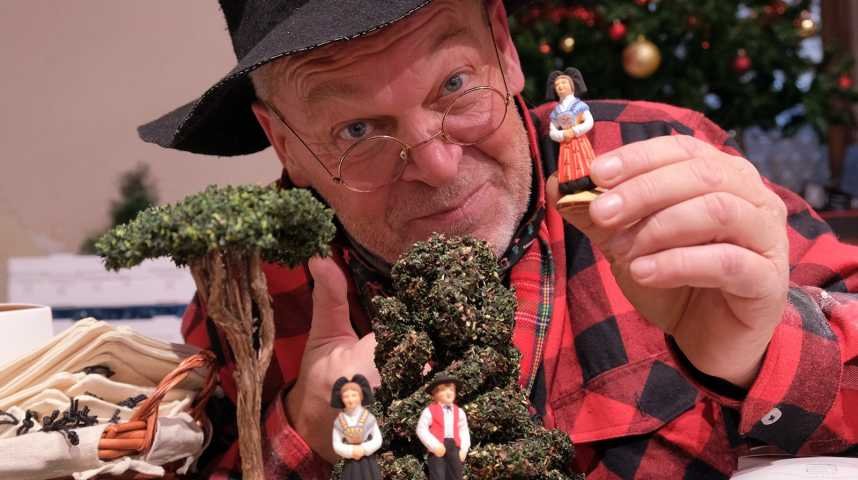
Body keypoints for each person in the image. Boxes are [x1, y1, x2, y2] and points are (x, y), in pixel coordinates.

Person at [140, 0, 858, 478]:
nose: (436, 165)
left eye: (455, 84)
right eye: (356, 130)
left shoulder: (655, 161)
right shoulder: (254, 287)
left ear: (504, 47)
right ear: (282, 142)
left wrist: (759, 352)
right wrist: (306, 430)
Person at [547, 67, 597, 198]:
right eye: (557, 85)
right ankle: (570, 186)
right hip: (565, 144)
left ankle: (587, 183)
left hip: (579, 141)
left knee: (584, 165)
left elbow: (589, 121)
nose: (560, 86)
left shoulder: (579, 105)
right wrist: (562, 135)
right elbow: (552, 131)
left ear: (572, 86)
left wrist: (575, 131)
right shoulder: (556, 111)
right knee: (568, 168)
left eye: (563, 83)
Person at [416, 376, 470, 480]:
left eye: (452, 390)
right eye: (444, 390)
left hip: (454, 447)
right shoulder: (429, 411)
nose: (449, 393)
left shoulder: (459, 412)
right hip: (438, 446)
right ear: (434, 394)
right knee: (438, 474)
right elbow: (421, 429)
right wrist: (434, 445)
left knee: (455, 474)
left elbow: (463, 431)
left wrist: (464, 449)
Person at [330, 375, 382, 480]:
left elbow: (378, 439)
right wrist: (350, 451)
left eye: (354, 395)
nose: (350, 400)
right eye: (346, 396)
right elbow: (336, 444)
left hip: (368, 463)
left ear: (361, 396)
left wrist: (364, 449)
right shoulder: (339, 421)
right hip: (350, 464)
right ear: (341, 399)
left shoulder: (369, 418)